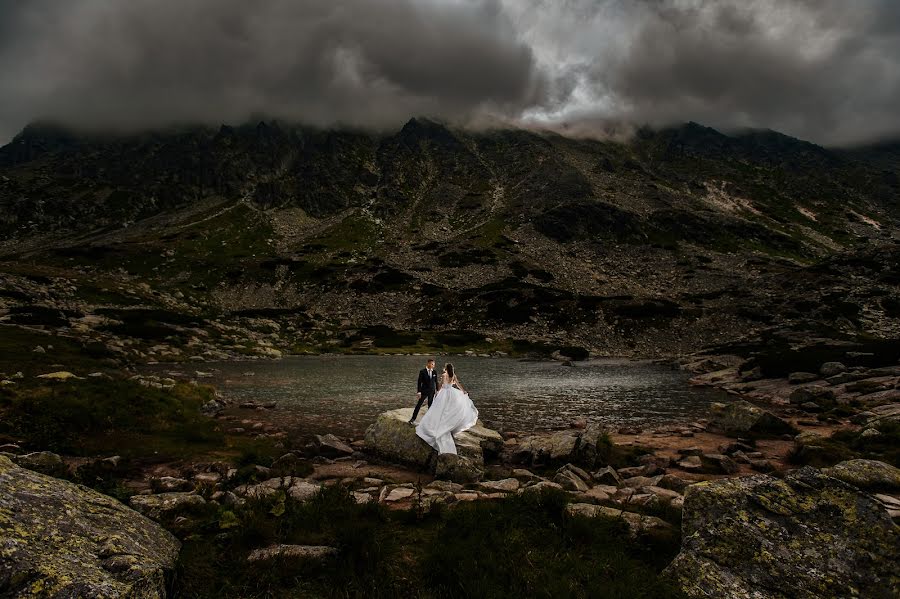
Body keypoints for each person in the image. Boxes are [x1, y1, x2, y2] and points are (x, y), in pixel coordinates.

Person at [416, 362, 479, 455]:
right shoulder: (453, 375)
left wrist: (437, 392)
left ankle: (438, 425)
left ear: (446, 368)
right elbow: (458, 385)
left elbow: (441, 385)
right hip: (451, 393)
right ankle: (449, 425)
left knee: (440, 410)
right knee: (449, 410)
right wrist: (463, 391)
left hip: (444, 393)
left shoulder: (444, 375)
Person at [409, 358, 438, 423]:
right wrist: (419, 392)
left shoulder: (434, 372)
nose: (433, 365)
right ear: (428, 364)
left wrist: (438, 390)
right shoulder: (422, 371)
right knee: (419, 405)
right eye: (432, 364)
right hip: (424, 391)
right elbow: (419, 382)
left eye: (434, 364)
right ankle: (413, 419)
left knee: (430, 406)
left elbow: (436, 382)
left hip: (432, 391)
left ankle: (430, 420)